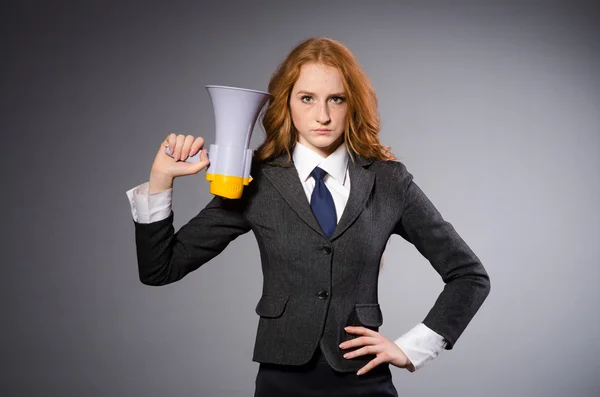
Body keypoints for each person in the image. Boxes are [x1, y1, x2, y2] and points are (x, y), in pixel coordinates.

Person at [126, 37, 490, 397]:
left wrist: (413, 348)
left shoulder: (389, 181)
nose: (323, 115)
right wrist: (161, 180)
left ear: (353, 104)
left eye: (337, 99)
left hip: (363, 381)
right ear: (286, 102)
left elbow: (469, 275)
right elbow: (160, 268)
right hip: (281, 381)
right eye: (307, 98)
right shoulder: (256, 178)